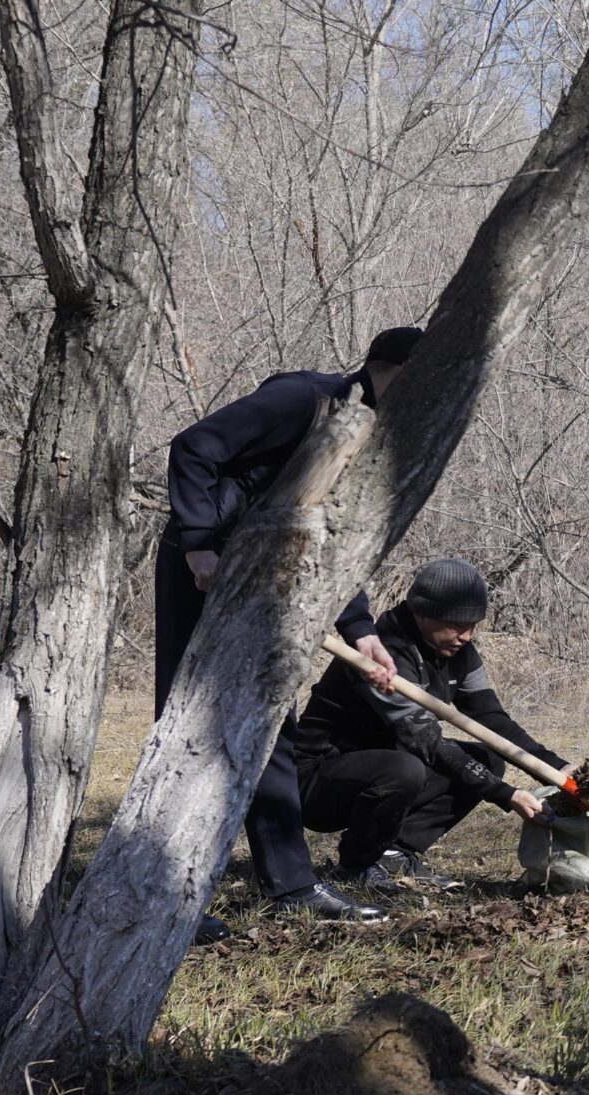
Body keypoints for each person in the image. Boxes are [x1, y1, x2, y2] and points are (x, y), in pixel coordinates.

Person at [159, 327, 423, 939]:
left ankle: (292, 886)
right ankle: (171, 894)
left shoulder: (376, 438)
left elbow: (324, 536)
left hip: (272, 572)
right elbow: (194, 448)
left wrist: (359, 628)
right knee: (190, 723)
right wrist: (199, 544)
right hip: (205, 567)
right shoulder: (304, 400)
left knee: (272, 716)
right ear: (393, 369)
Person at [293, 559, 562, 890]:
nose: (467, 635)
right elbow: (427, 742)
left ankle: (394, 851)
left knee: (486, 760)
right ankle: (356, 865)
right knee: (405, 769)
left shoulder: (457, 651)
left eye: (473, 624)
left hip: (387, 769)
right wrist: (507, 796)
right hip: (317, 782)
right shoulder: (381, 656)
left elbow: (492, 720)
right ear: (421, 612)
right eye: (456, 624)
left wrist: (559, 769)